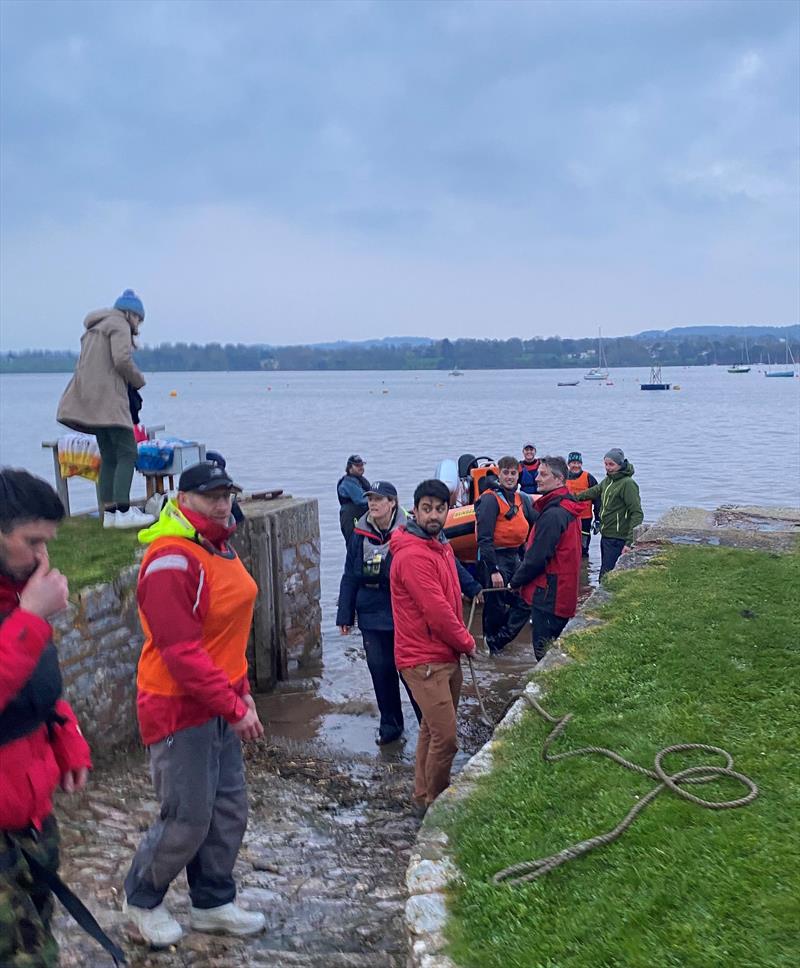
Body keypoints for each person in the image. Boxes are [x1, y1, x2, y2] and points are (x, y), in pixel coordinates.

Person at [123, 461, 266, 948]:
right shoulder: (170, 560)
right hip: (176, 707)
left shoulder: (219, 546)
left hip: (220, 701)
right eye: (211, 496)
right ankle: (142, 898)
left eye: (227, 494)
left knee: (228, 809)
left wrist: (241, 690)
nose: (223, 504)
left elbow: (227, 634)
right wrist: (234, 705)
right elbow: (180, 651)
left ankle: (212, 902)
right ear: (183, 500)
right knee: (186, 815)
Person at [0, 469, 93, 967]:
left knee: (39, 931)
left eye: (48, 543)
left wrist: (69, 741)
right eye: (31, 541)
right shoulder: (25, 610)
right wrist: (32, 620)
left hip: (30, 815)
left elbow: (39, 687)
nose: (42, 557)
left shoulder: (16, 599)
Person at [390, 479, 477, 816]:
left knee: (430, 728)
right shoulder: (413, 555)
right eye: (427, 508)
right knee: (447, 738)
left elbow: (452, 596)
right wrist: (467, 641)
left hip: (444, 655)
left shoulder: (440, 546)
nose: (434, 515)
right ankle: (437, 802)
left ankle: (422, 796)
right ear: (415, 510)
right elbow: (437, 611)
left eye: (440, 509)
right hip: (422, 659)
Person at [57, 289, 155, 530]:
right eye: (139, 319)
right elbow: (121, 359)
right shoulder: (119, 324)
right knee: (128, 453)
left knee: (109, 457)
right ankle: (123, 511)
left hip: (91, 401)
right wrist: (138, 380)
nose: (138, 325)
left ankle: (109, 515)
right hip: (110, 401)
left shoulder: (93, 328)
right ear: (131, 314)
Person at [337, 481, 421, 745]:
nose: (372, 504)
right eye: (370, 499)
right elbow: (349, 574)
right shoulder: (359, 534)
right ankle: (391, 726)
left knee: (411, 671)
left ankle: (428, 724)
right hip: (371, 613)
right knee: (380, 670)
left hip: (402, 612)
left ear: (393, 503)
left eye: (378, 499)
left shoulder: (411, 530)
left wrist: (471, 587)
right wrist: (344, 614)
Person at [509, 457, 583, 661]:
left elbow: (537, 557)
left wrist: (515, 581)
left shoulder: (554, 514)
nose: (536, 478)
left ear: (559, 480)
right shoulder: (567, 506)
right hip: (563, 590)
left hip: (550, 594)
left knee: (544, 653)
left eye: (543, 474)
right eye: (538, 473)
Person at [475, 456, 537, 654]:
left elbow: (532, 524)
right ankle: (492, 644)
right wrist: (493, 570)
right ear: (499, 474)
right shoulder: (489, 500)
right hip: (495, 558)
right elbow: (484, 539)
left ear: (518, 474)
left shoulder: (520, 498)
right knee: (496, 604)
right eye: (506, 473)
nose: (510, 477)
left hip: (515, 556)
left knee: (527, 598)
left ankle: (499, 641)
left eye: (513, 473)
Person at [573, 448, 643, 578]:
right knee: (605, 570)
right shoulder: (608, 480)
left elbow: (637, 513)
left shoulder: (627, 484)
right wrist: (572, 497)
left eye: (611, 464)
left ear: (620, 465)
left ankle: (606, 597)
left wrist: (629, 542)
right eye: (606, 464)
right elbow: (594, 491)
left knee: (608, 574)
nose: (608, 468)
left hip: (618, 538)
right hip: (606, 535)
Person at [564, 452, 600, 558]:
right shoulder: (562, 477)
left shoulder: (589, 477)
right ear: (568, 464)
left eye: (578, 463)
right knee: (567, 544)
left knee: (583, 546)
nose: (576, 465)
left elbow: (597, 499)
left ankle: (585, 568)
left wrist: (598, 519)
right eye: (573, 463)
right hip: (567, 517)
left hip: (585, 517)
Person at [336, 455, 371, 544]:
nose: (361, 467)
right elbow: (361, 499)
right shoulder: (348, 482)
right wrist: (380, 501)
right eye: (357, 466)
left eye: (362, 465)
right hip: (350, 517)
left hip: (360, 516)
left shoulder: (361, 480)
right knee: (353, 544)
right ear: (350, 468)